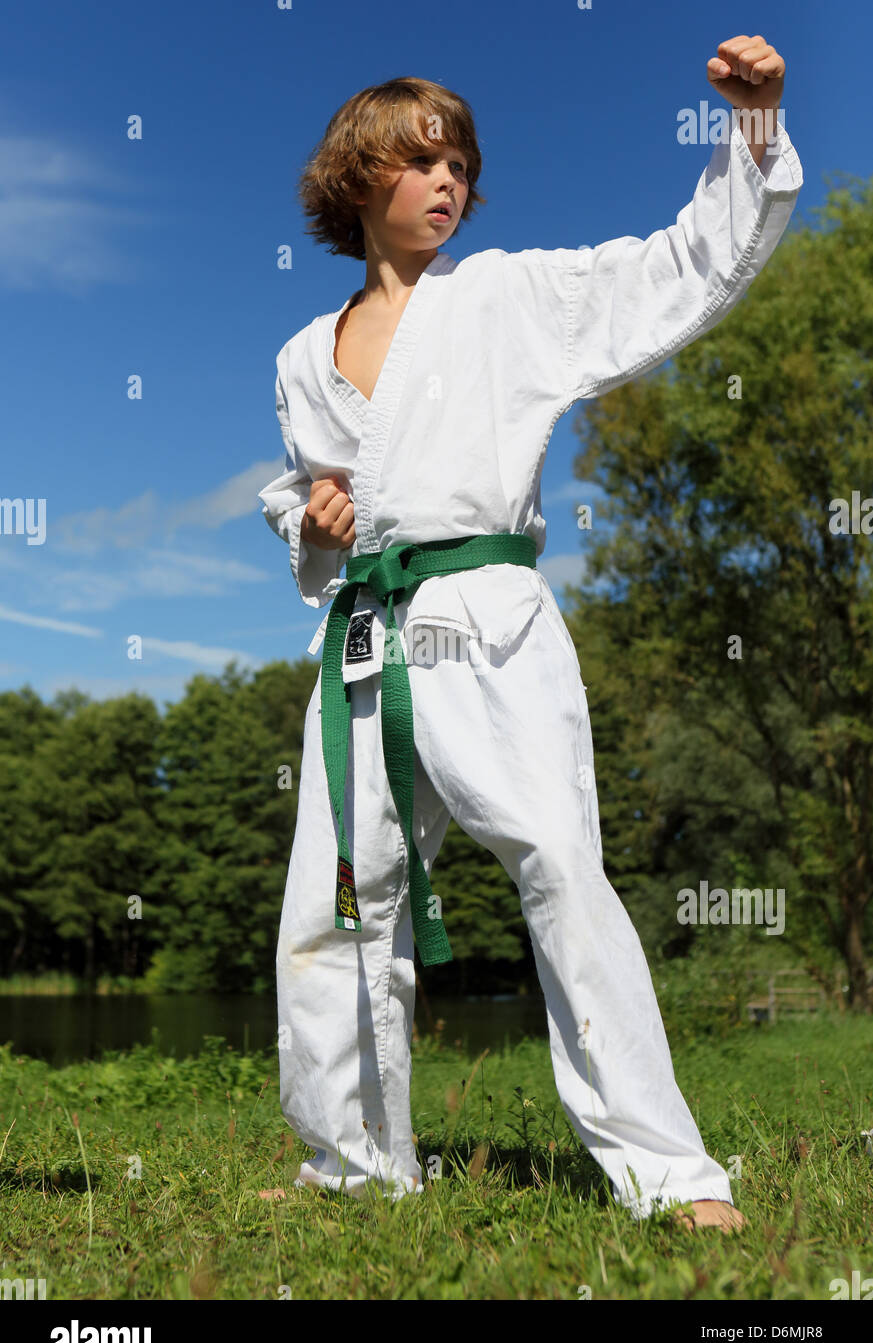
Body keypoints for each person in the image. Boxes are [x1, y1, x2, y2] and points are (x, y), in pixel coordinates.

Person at [257, 37, 802, 1232]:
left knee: (561, 870)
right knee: (338, 904)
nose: (447, 181)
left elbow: (668, 272)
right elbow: (310, 514)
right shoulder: (303, 359)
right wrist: (318, 518)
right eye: (419, 161)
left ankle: (668, 1173)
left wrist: (752, 131)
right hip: (363, 645)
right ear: (359, 181)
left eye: (459, 161)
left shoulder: (505, 299)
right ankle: (351, 1162)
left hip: (492, 627)